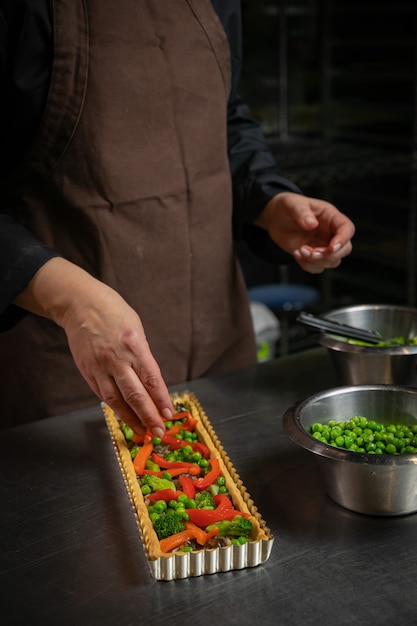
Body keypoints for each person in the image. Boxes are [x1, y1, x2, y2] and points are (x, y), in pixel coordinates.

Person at [0, 0, 354, 435]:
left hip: (220, 345)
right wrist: (72, 302)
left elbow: (227, 119)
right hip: (71, 363)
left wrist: (267, 198)